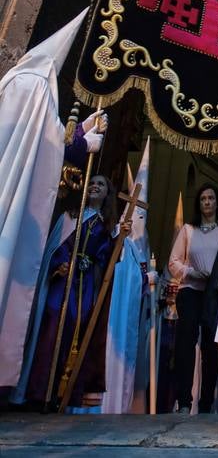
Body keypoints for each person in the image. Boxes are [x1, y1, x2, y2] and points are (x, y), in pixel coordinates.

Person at [0, 8, 100, 388]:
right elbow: (47, 143)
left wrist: (79, 134)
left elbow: (44, 136)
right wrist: (83, 143)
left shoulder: (15, 80)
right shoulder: (37, 86)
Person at [14, 174, 127, 409]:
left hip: (84, 286)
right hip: (63, 281)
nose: (95, 186)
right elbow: (57, 245)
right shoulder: (69, 217)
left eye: (101, 184)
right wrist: (59, 263)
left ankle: (62, 395)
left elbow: (106, 258)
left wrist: (119, 239)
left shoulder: (105, 225)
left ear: (107, 193)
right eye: (92, 182)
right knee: (53, 322)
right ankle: (39, 391)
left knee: (77, 327)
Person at [168, 183, 218, 414]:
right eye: (203, 198)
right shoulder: (188, 229)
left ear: (217, 202)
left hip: (213, 294)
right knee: (185, 346)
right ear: (199, 203)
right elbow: (173, 262)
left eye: (211, 198)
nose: (207, 202)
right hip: (190, 292)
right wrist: (191, 272)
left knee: (211, 350)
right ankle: (184, 401)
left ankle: (206, 403)